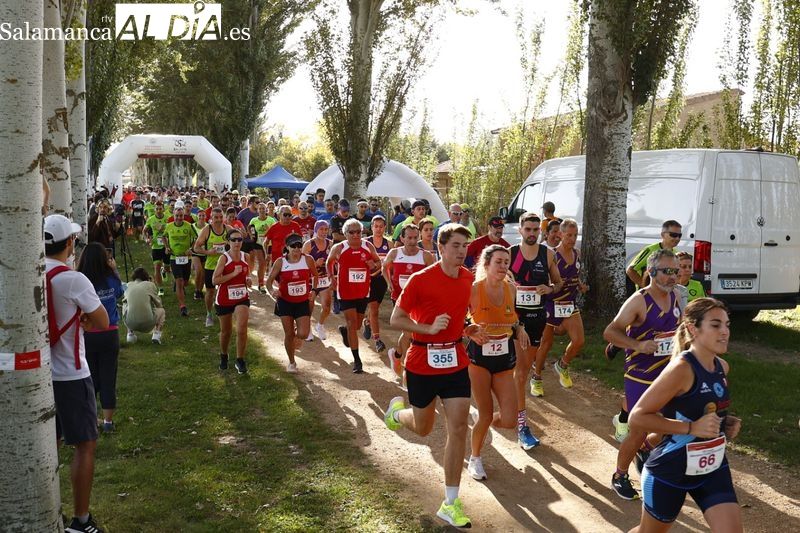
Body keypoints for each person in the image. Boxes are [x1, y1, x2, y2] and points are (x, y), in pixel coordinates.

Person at [383, 224, 487, 529]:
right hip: (422, 362)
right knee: (424, 428)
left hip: (455, 360)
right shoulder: (420, 280)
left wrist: (467, 329)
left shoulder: (467, 279)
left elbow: (458, 313)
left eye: (464, 246)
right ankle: (398, 413)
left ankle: (450, 502)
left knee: (458, 427)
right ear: (440, 247)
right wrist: (428, 329)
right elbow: (395, 319)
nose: (461, 251)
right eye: (455, 245)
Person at [629, 298, 742, 532]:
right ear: (693, 328)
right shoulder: (681, 369)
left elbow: (700, 407)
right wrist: (691, 429)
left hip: (712, 467)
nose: (725, 332)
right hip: (670, 471)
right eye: (715, 325)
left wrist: (724, 422)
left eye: (727, 324)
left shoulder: (722, 366)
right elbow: (637, 417)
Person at [44, 214, 110, 533]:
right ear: (70, 243)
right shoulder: (73, 279)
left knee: (47, 443)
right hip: (71, 373)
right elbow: (101, 321)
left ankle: (41, 506)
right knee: (85, 444)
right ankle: (81, 520)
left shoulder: (28, 273)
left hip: (38, 376)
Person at [604, 249, 681, 500]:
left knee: (673, 426)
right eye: (667, 271)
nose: (673, 277)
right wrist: (636, 345)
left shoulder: (677, 297)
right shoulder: (639, 301)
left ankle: (644, 448)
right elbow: (610, 331)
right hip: (640, 376)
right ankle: (619, 475)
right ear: (651, 272)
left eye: (676, 271)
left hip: (667, 375)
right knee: (638, 431)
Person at [466, 245, 530, 481]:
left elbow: (513, 318)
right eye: (499, 262)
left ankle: (481, 423)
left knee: (510, 419)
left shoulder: (511, 289)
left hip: (504, 359)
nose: (503, 266)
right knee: (484, 414)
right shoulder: (474, 289)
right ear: (486, 264)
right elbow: (459, 319)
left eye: (506, 262)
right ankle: (475, 458)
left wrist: (519, 329)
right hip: (479, 359)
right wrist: (469, 330)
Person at [508, 212, 563, 450]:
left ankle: (516, 417)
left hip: (535, 320)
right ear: (520, 230)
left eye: (535, 230)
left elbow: (558, 284)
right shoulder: (510, 254)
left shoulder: (547, 254)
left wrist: (548, 288)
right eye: (527, 229)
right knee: (515, 371)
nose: (531, 233)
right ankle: (521, 423)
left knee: (521, 372)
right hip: (509, 319)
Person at [531, 219, 589, 396]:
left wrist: (580, 285)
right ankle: (536, 377)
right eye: (569, 235)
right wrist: (548, 287)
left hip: (568, 303)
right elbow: (543, 278)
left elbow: (574, 273)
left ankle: (562, 365)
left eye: (575, 235)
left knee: (579, 341)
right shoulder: (551, 254)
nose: (572, 238)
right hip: (551, 303)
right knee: (546, 344)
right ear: (560, 234)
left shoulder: (577, 253)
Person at [77, 243, 125, 434]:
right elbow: (120, 293)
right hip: (109, 333)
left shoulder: (80, 280)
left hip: (88, 333)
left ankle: (89, 417)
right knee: (108, 376)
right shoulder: (110, 279)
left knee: (90, 377)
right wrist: (115, 271)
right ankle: (108, 421)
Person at [326, 218, 382, 373]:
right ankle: (357, 361)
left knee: (356, 325)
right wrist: (332, 278)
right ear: (345, 234)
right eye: (352, 232)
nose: (356, 235)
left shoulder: (367, 246)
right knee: (352, 324)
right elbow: (329, 262)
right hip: (345, 293)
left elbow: (379, 263)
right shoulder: (339, 248)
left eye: (359, 232)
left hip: (363, 292)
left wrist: (374, 266)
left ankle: (345, 330)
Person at [382, 224, 435, 379]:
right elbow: (385, 267)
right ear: (402, 238)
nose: (412, 241)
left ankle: (397, 354)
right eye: (409, 238)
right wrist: (389, 283)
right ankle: (407, 368)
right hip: (399, 299)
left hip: (419, 301)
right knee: (409, 332)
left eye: (415, 238)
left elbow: (432, 277)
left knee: (411, 333)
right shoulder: (394, 253)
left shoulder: (426, 256)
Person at [266, 233, 318, 373]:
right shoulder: (280, 262)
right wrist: (272, 291)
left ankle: (296, 335)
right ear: (287, 247)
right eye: (293, 246)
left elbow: (315, 276)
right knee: (288, 334)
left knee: (303, 333)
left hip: (302, 302)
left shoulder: (308, 260)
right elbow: (269, 281)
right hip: (285, 302)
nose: (296, 248)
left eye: (299, 245)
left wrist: (313, 290)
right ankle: (292, 362)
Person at [212, 229, 252, 374]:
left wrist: (247, 280)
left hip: (241, 297)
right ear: (228, 241)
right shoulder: (224, 258)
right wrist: (233, 274)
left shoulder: (246, 256)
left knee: (241, 329)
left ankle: (240, 360)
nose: (237, 243)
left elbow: (247, 274)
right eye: (234, 240)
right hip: (224, 299)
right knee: (226, 332)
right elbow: (215, 280)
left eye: (239, 240)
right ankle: (224, 355)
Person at [193, 207, 229, 328]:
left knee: (224, 290)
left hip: (225, 266)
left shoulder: (228, 229)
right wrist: (208, 252)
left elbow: (238, 242)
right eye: (215, 218)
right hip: (211, 266)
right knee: (210, 291)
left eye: (220, 217)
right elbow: (196, 248)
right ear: (211, 218)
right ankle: (209, 314)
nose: (218, 220)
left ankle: (224, 312)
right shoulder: (206, 230)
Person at [626, 220, 683, 290]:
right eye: (673, 235)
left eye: (679, 235)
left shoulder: (675, 252)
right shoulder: (650, 249)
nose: (677, 238)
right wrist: (647, 288)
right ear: (662, 235)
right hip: (648, 296)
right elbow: (630, 270)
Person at [363, 215, 391, 352]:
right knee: (374, 309)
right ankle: (377, 340)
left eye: (381, 226)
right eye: (376, 226)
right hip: (367, 280)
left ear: (384, 228)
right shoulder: (365, 243)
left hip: (381, 280)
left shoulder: (389, 245)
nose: (378, 229)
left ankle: (367, 322)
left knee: (375, 307)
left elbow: (391, 265)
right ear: (371, 227)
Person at [302, 220, 334, 340]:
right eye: (321, 229)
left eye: (326, 229)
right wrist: (315, 264)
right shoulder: (309, 244)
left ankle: (320, 326)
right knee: (310, 305)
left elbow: (334, 261)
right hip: (311, 280)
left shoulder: (331, 244)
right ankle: (307, 328)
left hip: (325, 279)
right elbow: (303, 263)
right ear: (316, 230)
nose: (324, 232)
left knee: (326, 306)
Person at [164, 207, 196, 317]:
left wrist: (191, 249)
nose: (179, 218)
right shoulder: (169, 226)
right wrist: (167, 247)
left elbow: (197, 238)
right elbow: (163, 236)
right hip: (174, 257)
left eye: (181, 215)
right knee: (179, 280)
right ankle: (182, 306)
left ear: (184, 216)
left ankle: (179, 286)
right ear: (173, 216)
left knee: (185, 282)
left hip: (186, 258)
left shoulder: (188, 226)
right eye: (177, 216)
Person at [123, 268, 166, 344]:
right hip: (148, 323)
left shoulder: (128, 285)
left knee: (125, 305)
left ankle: (130, 334)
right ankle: (156, 334)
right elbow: (159, 304)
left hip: (130, 322)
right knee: (161, 311)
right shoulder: (150, 285)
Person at [249, 202, 276, 292]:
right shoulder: (254, 220)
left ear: (266, 209)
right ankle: (261, 285)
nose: (261, 210)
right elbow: (249, 227)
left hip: (269, 244)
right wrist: (251, 236)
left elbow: (276, 229)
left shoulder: (271, 220)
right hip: (258, 244)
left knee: (268, 264)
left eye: (263, 208)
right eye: (260, 209)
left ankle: (269, 282)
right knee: (262, 263)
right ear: (258, 210)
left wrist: (270, 232)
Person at [143, 201, 168, 296]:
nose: (158, 211)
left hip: (166, 246)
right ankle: (160, 289)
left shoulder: (168, 218)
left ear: (163, 209)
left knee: (167, 267)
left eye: (160, 209)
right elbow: (144, 230)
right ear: (154, 210)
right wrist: (146, 239)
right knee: (156, 267)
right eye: (157, 209)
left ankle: (164, 270)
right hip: (156, 246)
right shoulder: (151, 219)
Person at [191, 210, 209, 300]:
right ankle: (196, 289)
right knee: (198, 271)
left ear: (205, 217)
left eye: (203, 215)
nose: (201, 217)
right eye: (200, 215)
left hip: (205, 252)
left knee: (203, 273)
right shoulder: (192, 226)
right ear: (197, 216)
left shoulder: (208, 227)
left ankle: (200, 290)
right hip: (195, 252)